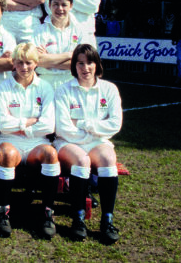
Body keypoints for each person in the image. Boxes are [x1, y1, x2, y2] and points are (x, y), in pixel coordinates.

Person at [54, 44, 123, 244]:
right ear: (74, 66)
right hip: (68, 142)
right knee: (82, 161)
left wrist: (84, 124)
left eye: (90, 62)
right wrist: (92, 131)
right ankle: (78, 218)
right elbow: (63, 127)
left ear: (97, 64)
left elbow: (114, 124)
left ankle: (107, 220)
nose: (85, 68)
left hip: (97, 141)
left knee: (108, 158)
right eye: (80, 63)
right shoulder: (64, 90)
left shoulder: (109, 89)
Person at [0, 42, 58, 239]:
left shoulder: (45, 87)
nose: (24, 67)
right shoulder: (2, 87)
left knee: (51, 154)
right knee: (7, 154)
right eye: (20, 62)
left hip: (37, 142)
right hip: (8, 139)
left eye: (29, 62)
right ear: (13, 63)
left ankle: (47, 213)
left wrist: (22, 128)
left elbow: (48, 126)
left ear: (36, 63)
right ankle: (3, 213)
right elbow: (3, 124)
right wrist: (29, 122)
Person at [33, 0, 89, 90]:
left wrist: (48, 59)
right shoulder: (39, 30)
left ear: (71, 6)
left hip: (73, 81)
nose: (60, 9)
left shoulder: (80, 30)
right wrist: (70, 55)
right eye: (56, 4)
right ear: (49, 5)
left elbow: (83, 62)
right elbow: (37, 61)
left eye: (64, 5)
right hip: (45, 83)